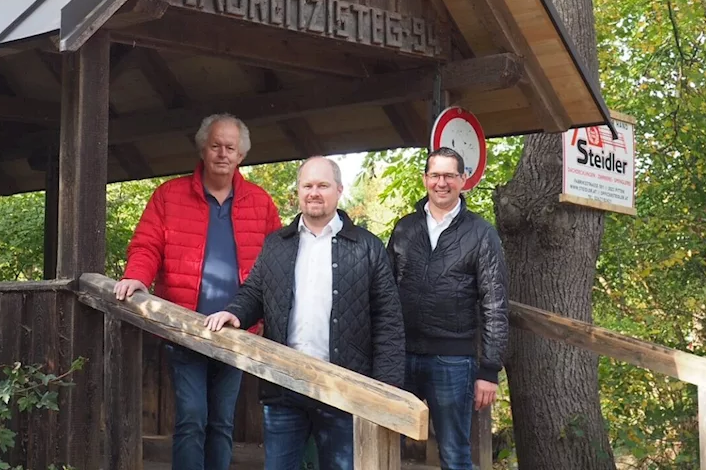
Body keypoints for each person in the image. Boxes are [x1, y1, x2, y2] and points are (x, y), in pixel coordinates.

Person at [204, 157, 404, 470]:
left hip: (344, 391)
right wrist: (235, 314)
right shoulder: (277, 244)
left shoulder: (367, 247)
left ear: (339, 190)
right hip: (285, 386)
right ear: (298, 191)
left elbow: (388, 320)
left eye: (322, 185)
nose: (314, 192)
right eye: (307, 185)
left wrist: (385, 390)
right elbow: (255, 292)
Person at [114, 114, 281, 470]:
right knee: (191, 417)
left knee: (222, 422)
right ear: (203, 149)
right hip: (184, 326)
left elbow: (275, 265)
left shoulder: (260, 202)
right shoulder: (168, 196)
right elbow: (146, 246)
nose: (222, 153)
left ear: (241, 155)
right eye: (215, 145)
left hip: (237, 331)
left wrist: (265, 314)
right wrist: (136, 276)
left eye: (230, 148)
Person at [386, 147, 509, 470]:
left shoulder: (481, 233)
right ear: (426, 179)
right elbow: (384, 293)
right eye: (435, 175)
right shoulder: (405, 228)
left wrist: (489, 370)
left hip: (453, 359)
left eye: (449, 176)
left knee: (454, 454)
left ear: (463, 179)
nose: (442, 183)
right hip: (401, 356)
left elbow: (494, 303)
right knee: (385, 446)